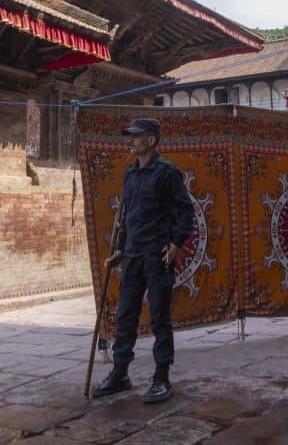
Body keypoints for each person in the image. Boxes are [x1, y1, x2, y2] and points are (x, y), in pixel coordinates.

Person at [92, 118, 194, 403]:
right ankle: (120, 373)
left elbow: (185, 211)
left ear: (150, 140)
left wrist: (176, 244)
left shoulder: (167, 173)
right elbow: (128, 217)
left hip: (157, 254)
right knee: (126, 317)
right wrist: (121, 249)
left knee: (160, 318)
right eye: (130, 136)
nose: (130, 140)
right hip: (133, 256)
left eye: (135, 136)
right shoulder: (130, 175)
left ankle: (161, 377)